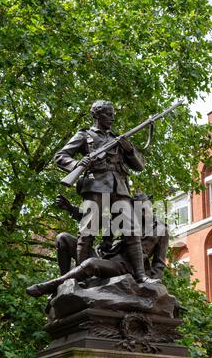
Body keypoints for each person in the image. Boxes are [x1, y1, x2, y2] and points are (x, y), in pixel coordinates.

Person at [54, 100, 147, 282]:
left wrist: (129, 150)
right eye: (108, 114)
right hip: (95, 184)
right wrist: (77, 164)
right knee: (87, 230)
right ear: (97, 115)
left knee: (131, 228)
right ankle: (81, 277)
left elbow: (139, 165)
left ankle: (141, 275)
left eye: (113, 114)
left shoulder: (118, 138)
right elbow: (60, 156)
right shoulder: (84, 135)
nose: (112, 118)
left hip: (119, 187)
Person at [26, 194, 169, 297]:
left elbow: (159, 263)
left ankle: (50, 286)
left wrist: (151, 285)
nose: (142, 211)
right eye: (138, 208)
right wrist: (70, 208)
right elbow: (93, 220)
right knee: (63, 238)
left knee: (90, 264)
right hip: (106, 259)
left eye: (145, 207)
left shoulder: (161, 228)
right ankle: (65, 286)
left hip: (125, 267)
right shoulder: (125, 219)